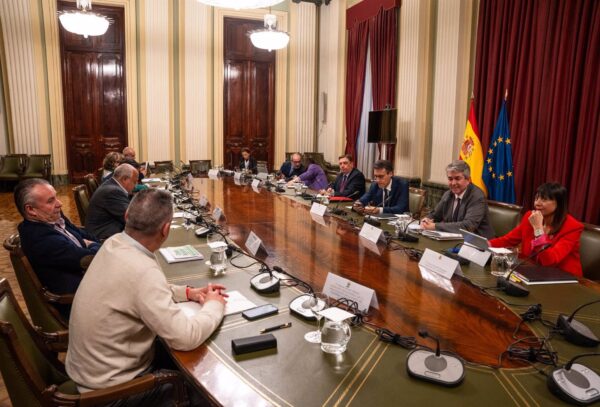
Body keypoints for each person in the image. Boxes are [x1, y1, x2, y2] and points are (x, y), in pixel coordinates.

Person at [66, 188, 228, 404]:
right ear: (166, 229)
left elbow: (136, 289)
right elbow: (186, 338)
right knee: (204, 386)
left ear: (127, 216)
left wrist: (188, 293)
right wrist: (214, 305)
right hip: (110, 393)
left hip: (92, 372)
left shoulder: (114, 242)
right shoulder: (143, 271)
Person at [14, 178, 100, 319]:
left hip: (91, 280)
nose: (59, 203)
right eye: (50, 201)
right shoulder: (40, 238)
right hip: (80, 303)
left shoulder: (54, 218)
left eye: (56, 197)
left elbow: (86, 235)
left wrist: (90, 243)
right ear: (31, 210)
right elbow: (90, 259)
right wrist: (91, 244)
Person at [490, 183, 583, 277]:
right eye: (536, 198)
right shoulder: (530, 216)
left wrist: (538, 229)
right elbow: (508, 240)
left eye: (544, 199)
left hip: (563, 277)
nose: (537, 203)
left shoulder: (572, 227)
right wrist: (486, 244)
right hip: (533, 272)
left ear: (559, 203)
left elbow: (549, 260)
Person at [421, 160, 495, 238]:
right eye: (450, 179)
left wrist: (435, 226)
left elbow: (468, 226)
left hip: (478, 242)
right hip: (454, 238)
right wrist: (426, 220)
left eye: (457, 178)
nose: (453, 183)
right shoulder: (448, 194)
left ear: (468, 180)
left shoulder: (477, 196)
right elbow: (435, 215)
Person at [85, 164, 138, 240]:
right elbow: (131, 218)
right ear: (124, 179)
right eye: (134, 182)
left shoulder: (111, 185)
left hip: (109, 229)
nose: (135, 186)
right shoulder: (113, 191)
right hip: (103, 237)